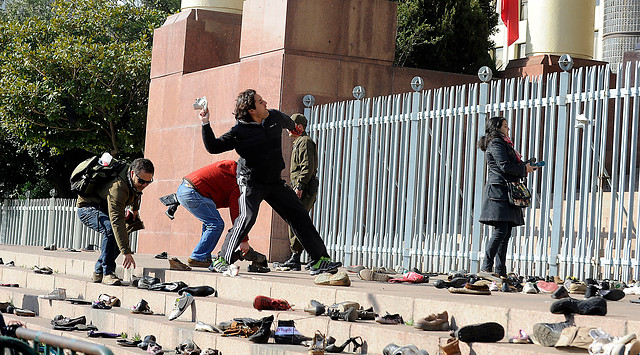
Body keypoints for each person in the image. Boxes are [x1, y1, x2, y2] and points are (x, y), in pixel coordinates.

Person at [198, 89, 341, 275]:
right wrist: (205, 123)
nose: (265, 102)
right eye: (259, 101)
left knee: (299, 215)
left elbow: (286, 120)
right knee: (246, 218)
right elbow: (213, 147)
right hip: (251, 182)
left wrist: (292, 127)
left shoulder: (273, 116)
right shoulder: (239, 132)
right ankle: (222, 259)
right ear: (251, 110)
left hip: (274, 182)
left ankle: (319, 260)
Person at [172, 159, 268, 271]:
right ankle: (198, 257)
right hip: (193, 192)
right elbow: (237, 213)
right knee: (216, 224)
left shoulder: (230, 167)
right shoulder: (237, 181)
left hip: (185, 189)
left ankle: (203, 255)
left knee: (210, 223)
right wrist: (243, 240)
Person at [76, 158, 154, 285]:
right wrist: (126, 252)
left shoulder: (134, 180)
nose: (144, 185)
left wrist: (135, 209)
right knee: (112, 229)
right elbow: (116, 221)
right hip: (87, 208)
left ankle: (98, 271)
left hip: (104, 207)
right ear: (133, 173)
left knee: (123, 231)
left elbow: (137, 192)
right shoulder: (118, 187)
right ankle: (107, 273)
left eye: (148, 182)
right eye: (141, 181)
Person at [477, 117, 537, 277]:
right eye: (505, 126)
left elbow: (509, 165)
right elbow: (504, 166)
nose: (508, 128)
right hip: (499, 191)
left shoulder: (504, 143)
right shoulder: (496, 143)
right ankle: (486, 267)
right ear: (496, 128)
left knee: (506, 232)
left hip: (507, 191)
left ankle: (500, 271)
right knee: (500, 230)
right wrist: (524, 169)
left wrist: (526, 166)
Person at [278, 113, 319, 271]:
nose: (288, 130)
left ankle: (304, 257)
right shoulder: (300, 142)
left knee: (298, 222)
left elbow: (307, 167)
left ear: (299, 127)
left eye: (291, 126)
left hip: (304, 189)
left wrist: (300, 186)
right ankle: (302, 257)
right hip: (300, 187)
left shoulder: (305, 142)